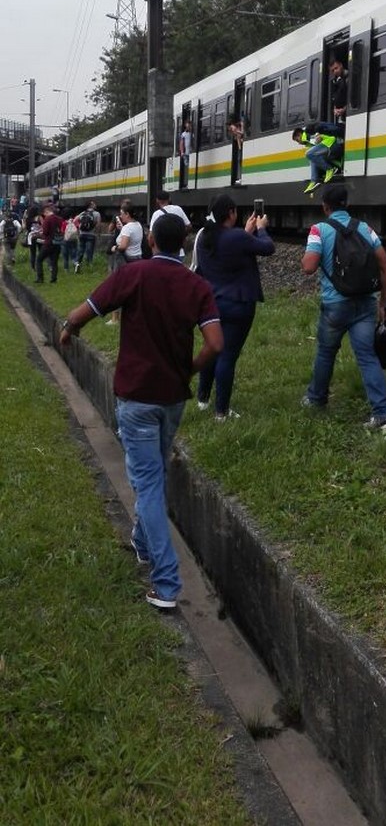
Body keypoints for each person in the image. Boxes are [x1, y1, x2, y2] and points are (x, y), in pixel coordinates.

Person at [60, 213, 223, 611]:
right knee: (155, 473)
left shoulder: (134, 274)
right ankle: (142, 541)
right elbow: (216, 344)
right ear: (183, 244)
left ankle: (166, 583)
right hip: (172, 398)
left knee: (147, 483)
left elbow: (86, 310)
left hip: (136, 396)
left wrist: (68, 329)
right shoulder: (196, 284)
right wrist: (190, 369)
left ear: (151, 241)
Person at [302, 183, 386, 432]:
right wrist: (383, 303)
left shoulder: (318, 229)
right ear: (347, 204)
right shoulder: (366, 228)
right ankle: (383, 412)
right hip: (366, 303)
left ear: (325, 207)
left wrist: (312, 253)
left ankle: (316, 398)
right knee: (367, 356)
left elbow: (308, 267)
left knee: (326, 352)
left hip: (335, 305)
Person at [193, 193, 274, 419]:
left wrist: (247, 232)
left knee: (211, 349)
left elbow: (226, 251)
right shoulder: (236, 237)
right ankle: (222, 412)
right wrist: (261, 228)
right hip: (238, 304)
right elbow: (268, 248)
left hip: (211, 304)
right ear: (231, 213)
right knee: (227, 356)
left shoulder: (204, 237)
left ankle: (202, 399)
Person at [292, 124, 343, 194]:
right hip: (330, 148)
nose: (299, 143)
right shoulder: (307, 142)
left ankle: (329, 169)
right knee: (312, 158)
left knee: (309, 154)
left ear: (299, 135)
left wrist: (318, 137)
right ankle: (313, 181)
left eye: (297, 140)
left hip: (332, 145)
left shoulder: (307, 135)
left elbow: (317, 139)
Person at [150, 190, 191, 259]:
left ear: (157, 200)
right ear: (169, 199)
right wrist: (181, 234)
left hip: (163, 254)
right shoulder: (178, 209)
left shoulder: (156, 214)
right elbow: (189, 226)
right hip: (179, 252)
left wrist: (153, 250)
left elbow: (151, 236)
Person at [35, 202, 61, 284]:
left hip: (48, 243)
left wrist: (40, 234)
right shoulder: (59, 219)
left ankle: (40, 278)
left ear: (46, 211)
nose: (44, 215)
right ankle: (54, 279)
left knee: (39, 260)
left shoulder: (47, 219)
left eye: (44, 213)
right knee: (54, 262)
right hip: (57, 243)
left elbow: (45, 232)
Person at [74, 200, 101, 272]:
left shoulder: (83, 213)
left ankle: (78, 264)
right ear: (91, 205)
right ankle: (89, 266)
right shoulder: (97, 214)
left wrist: (79, 228)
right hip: (91, 235)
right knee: (89, 251)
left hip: (82, 234)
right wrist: (98, 233)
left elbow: (75, 221)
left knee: (81, 250)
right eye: (94, 203)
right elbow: (98, 225)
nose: (95, 204)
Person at [329, 55, 348, 127]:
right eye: (332, 70)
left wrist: (344, 109)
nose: (335, 71)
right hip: (340, 117)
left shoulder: (348, 77)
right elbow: (334, 98)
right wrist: (335, 109)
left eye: (336, 68)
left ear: (341, 65)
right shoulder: (334, 81)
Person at [179, 118, 192, 188]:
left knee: (190, 167)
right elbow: (181, 143)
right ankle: (185, 183)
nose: (188, 127)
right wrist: (182, 152)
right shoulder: (183, 134)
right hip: (186, 153)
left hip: (191, 152)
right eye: (187, 125)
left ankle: (188, 182)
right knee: (186, 167)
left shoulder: (192, 134)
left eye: (189, 125)